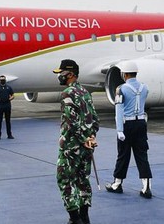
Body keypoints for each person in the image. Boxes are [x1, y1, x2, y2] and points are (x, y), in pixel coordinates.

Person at [53, 59, 99, 224]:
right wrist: (91, 138)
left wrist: (83, 138)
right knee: (82, 180)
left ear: (70, 74)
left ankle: (75, 218)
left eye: (61, 73)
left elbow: (71, 122)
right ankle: (84, 216)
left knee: (64, 180)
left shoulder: (68, 93)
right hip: (87, 147)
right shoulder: (85, 92)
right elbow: (94, 119)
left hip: (70, 147)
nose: (59, 76)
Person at [105, 61, 153, 199]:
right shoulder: (144, 88)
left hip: (127, 125)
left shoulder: (121, 89)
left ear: (124, 74)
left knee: (123, 155)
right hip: (141, 124)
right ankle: (146, 187)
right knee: (142, 155)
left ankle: (117, 184)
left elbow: (119, 110)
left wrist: (119, 130)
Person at [0, 75, 15, 139]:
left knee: (8, 121)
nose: (2, 81)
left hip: (7, 105)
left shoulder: (9, 87)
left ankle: (9, 134)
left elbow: (13, 95)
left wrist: (10, 99)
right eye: (1, 80)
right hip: (0, 105)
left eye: (3, 80)